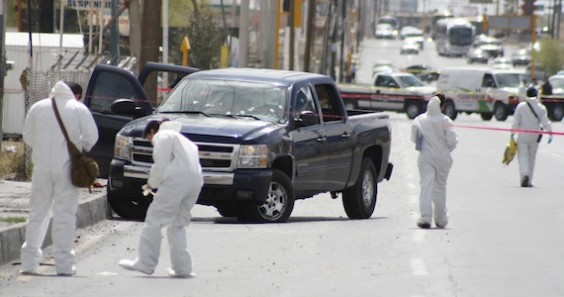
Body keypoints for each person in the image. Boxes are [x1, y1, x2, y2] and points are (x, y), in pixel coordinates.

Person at [20, 80, 99, 276]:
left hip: (41, 169)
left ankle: (29, 263)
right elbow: (92, 136)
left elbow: (27, 136)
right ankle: (64, 265)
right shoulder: (78, 109)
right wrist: (79, 149)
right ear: (72, 94)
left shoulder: (37, 108)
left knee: (37, 214)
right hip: (67, 169)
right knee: (65, 215)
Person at [119, 119, 203, 278]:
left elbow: (160, 163)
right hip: (195, 182)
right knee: (177, 225)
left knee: (154, 219)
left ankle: (146, 262)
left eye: (149, 139)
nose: (151, 142)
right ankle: (182, 268)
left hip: (176, 181)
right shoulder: (186, 142)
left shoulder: (163, 135)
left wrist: (152, 183)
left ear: (152, 132)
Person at [411, 92, 458, 229]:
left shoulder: (419, 119)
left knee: (426, 186)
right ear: (441, 105)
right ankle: (441, 219)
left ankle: (425, 218)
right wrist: (445, 149)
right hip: (443, 158)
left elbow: (414, 138)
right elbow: (452, 141)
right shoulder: (445, 121)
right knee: (440, 188)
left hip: (425, 157)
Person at [511, 87, 553, 187]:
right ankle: (529, 180)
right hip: (535, 135)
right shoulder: (541, 107)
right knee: (531, 157)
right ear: (537, 94)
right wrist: (550, 132)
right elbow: (545, 122)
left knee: (522, 156)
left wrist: (512, 133)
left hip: (522, 135)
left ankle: (524, 174)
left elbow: (516, 122)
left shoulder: (521, 106)